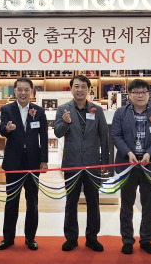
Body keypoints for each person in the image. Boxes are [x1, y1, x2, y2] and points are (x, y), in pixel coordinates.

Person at [110, 78, 151, 255]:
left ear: (149, 94)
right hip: (127, 164)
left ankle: (146, 239)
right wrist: (128, 153)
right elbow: (116, 135)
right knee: (126, 205)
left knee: (148, 204)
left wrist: (150, 152)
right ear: (129, 95)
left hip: (149, 164)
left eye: (143, 92)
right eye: (135, 92)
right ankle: (127, 240)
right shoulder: (121, 112)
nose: (139, 95)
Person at [54, 74, 109, 252]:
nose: (79, 90)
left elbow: (104, 137)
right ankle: (71, 237)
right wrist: (65, 123)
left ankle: (92, 237)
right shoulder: (63, 109)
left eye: (83, 87)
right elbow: (57, 133)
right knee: (71, 201)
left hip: (93, 163)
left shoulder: (97, 110)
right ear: (71, 89)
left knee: (94, 201)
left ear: (88, 89)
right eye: (76, 86)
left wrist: (105, 163)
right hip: (72, 163)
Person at [0, 77, 48, 251]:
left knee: (32, 202)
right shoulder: (6, 109)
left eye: (27, 89)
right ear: (15, 91)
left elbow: (44, 136)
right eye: (20, 89)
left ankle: (30, 238)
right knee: (11, 201)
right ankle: (8, 238)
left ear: (31, 91)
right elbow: (1, 129)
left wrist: (44, 160)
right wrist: (7, 129)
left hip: (33, 162)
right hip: (13, 162)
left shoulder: (39, 111)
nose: (23, 93)